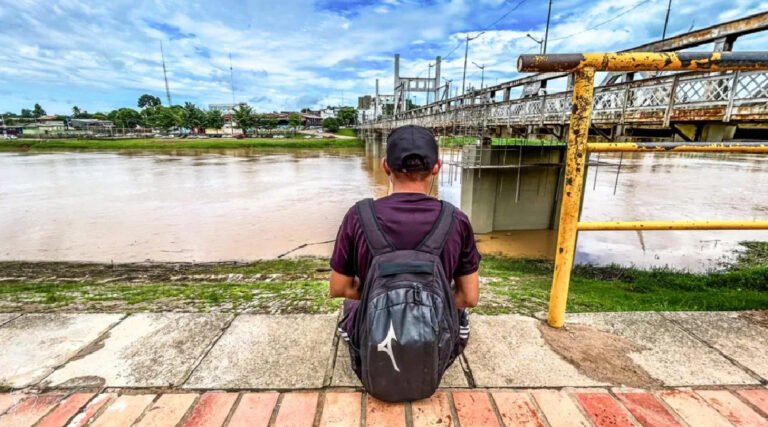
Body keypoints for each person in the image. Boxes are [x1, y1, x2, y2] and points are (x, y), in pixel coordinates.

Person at [329, 124, 480, 401]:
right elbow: (469, 297)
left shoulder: (358, 216)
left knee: (351, 305)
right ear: (437, 167)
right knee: (459, 312)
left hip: (372, 336)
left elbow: (339, 288)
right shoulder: (456, 220)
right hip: (434, 339)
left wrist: (380, 295)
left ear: (386, 166)